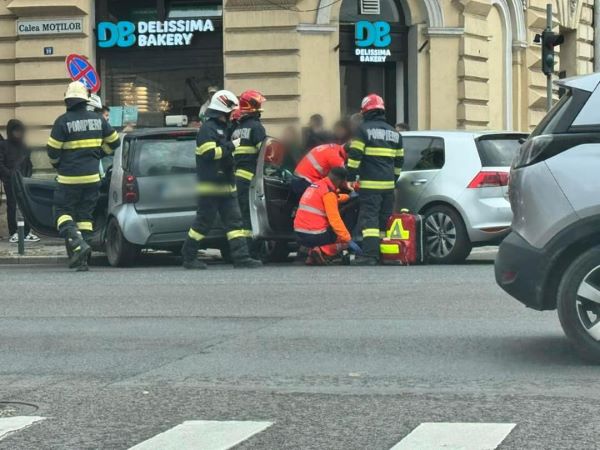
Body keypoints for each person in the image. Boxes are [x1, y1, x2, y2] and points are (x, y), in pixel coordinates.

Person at [181, 89, 262, 270]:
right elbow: (210, 154)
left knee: (235, 223)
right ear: (223, 109)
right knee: (202, 224)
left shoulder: (225, 128)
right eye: (231, 110)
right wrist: (230, 145)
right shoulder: (207, 129)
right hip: (210, 186)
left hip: (226, 184)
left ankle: (242, 258)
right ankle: (188, 256)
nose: (234, 113)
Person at [47, 81, 121, 271]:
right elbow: (115, 142)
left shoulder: (62, 121)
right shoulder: (98, 120)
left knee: (61, 212)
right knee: (85, 217)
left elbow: (52, 152)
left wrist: (58, 165)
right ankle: (83, 260)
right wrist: (99, 153)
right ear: (85, 100)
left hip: (69, 179)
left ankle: (78, 244)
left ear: (68, 101)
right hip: (92, 178)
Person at [347, 94, 404, 266]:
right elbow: (399, 160)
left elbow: (355, 154)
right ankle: (385, 254)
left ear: (365, 111)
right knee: (383, 220)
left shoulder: (363, 130)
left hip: (370, 185)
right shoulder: (394, 133)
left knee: (370, 219)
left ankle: (370, 255)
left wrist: (350, 177)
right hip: (388, 186)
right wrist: (393, 179)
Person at [294, 167, 357, 265]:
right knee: (342, 239)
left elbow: (332, 198)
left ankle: (312, 255)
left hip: (299, 233)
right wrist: (348, 239)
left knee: (333, 231)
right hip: (315, 235)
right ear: (341, 180)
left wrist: (348, 197)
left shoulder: (317, 185)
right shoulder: (329, 193)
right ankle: (322, 250)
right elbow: (335, 219)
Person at [230, 90, 267, 257]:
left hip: (238, 178)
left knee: (244, 214)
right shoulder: (256, 127)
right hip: (252, 178)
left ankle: (245, 250)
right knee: (252, 216)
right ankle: (253, 251)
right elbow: (265, 154)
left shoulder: (237, 129)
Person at [0, 119, 39, 243]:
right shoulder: (3, 145)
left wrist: (27, 177)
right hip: (10, 180)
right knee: (12, 206)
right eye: (15, 131)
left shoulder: (24, 146)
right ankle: (13, 232)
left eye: (20, 131)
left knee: (26, 206)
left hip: (23, 181)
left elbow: (29, 164)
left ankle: (26, 232)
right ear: (10, 131)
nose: (18, 133)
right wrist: (9, 175)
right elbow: (0, 163)